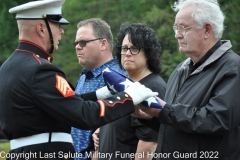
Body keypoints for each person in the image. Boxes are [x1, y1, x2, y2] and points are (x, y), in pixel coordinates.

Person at [0, 0, 158, 159]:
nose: (61, 31)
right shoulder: (40, 69)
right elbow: (84, 115)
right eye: (57, 25)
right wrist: (129, 97)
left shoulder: (7, 68)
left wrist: (97, 95)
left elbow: (57, 103)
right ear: (41, 28)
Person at [133, 0, 240, 159]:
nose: (177, 34)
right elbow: (174, 124)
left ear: (207, 30)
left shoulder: (233, 67)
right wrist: (148, 116)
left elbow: (217, 120)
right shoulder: (180, 70)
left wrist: (163, 110)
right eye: (176, 27)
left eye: (184, 27)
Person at [92, 22, 166, 160]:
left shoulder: (152, 88)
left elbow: (149, 145)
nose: (127, 53)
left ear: (148, 53)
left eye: (134, 48)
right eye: (124, 48)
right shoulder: (121, 85)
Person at [71, 18, 126, 160]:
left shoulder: (118, 77)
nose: (77, 47)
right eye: (76, 43)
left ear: (103, 44)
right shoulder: (83, 77)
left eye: (83, 42)